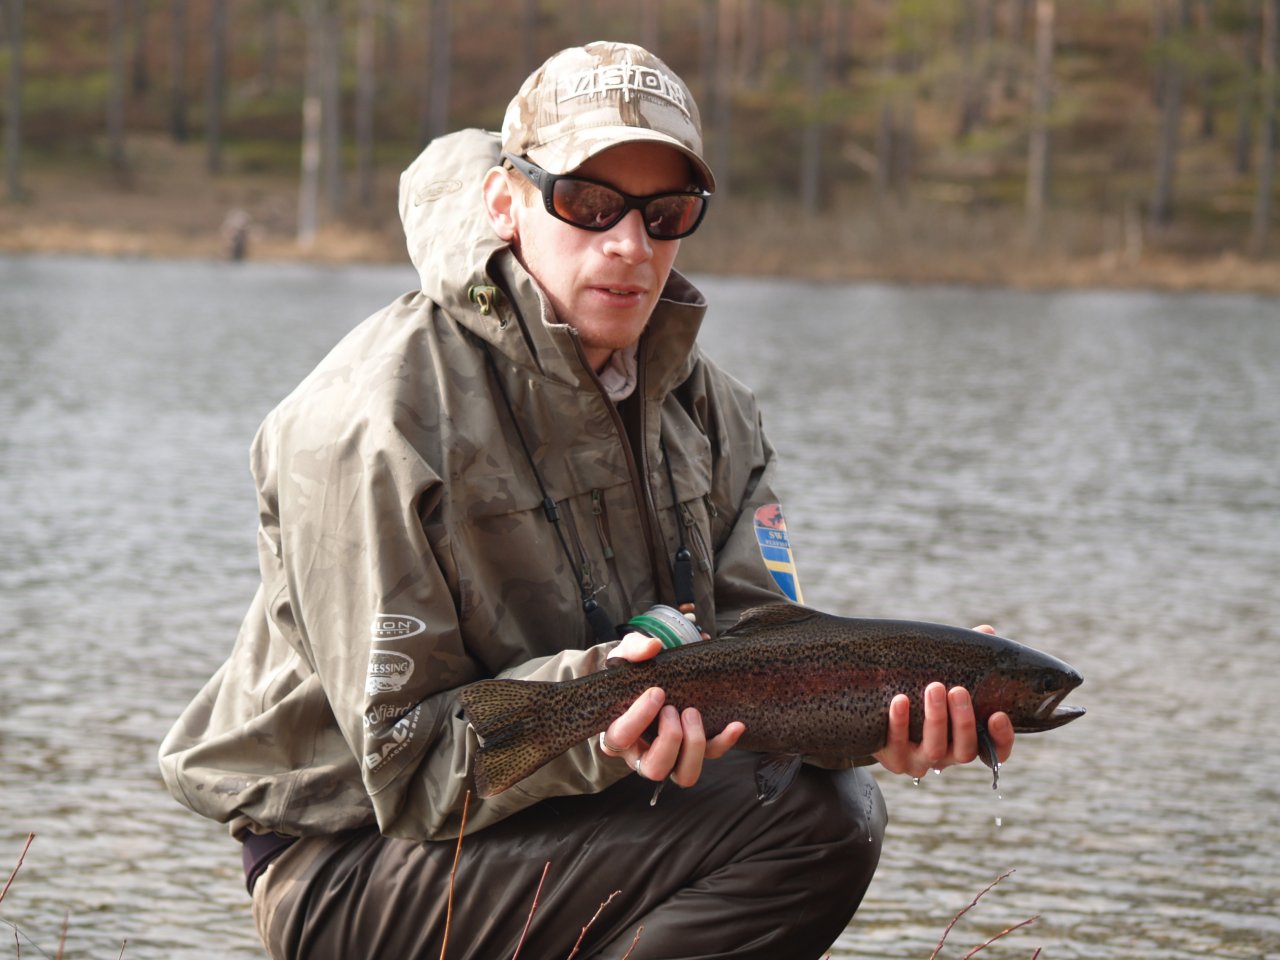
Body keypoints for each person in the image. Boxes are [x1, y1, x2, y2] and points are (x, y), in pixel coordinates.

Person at [159, 41, 1014, 960]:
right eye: (589, 203)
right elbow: (405, 772)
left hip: (577, 808)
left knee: (828, 799)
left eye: (666, 213)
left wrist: (869, 718)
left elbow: (760, 653)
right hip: (347, 857)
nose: (628, 244)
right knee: (805, 825)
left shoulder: (716, 412)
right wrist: (608, 709)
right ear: (507, 202)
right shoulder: (375, 421)